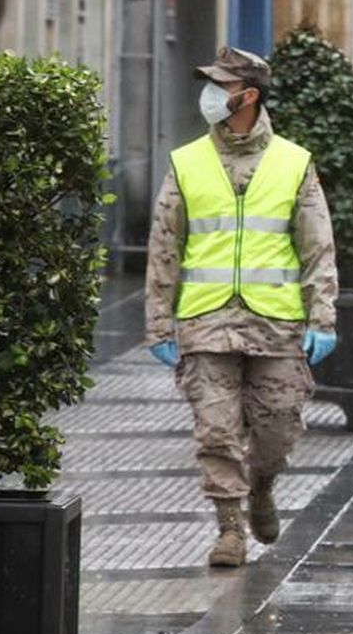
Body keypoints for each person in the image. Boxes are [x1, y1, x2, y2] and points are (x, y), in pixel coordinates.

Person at [145, 47, 339, 568]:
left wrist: (323, 315)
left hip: (275, 321)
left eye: (221, 85)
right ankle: (229, 529)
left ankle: (262, 486)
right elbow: (165, 247)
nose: (210, 94)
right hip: (206, 321)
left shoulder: (293, 162)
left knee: (277, 427)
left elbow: (317, 244)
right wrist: (159, 323)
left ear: (247, 96)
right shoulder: (187, 162)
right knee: (216, 429)